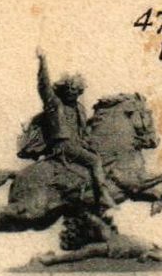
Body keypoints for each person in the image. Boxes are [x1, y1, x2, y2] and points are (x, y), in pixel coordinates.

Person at [34, 49, 115, 212]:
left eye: (76, 91)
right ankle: (103, 196)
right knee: (95, 161)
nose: (73, 94)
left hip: (77, 145)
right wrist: (43, 61)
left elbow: (82, 131)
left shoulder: (79, 108)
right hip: (63, 146)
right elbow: (44, 85)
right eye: (70, 90)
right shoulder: (54, 103)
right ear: (63, 89)